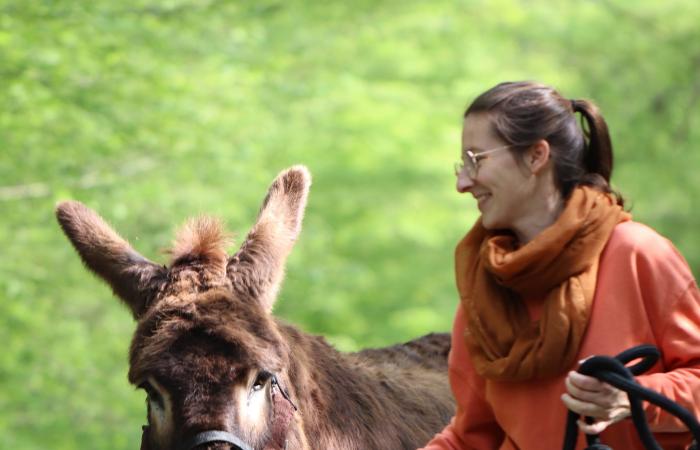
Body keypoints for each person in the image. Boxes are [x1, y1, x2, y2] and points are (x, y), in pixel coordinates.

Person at [420, 81, 700, 450]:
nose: (462, 182)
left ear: (536, 156)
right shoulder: (482, 285)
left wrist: (636, 397)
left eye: (476, 159)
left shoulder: (639, 254)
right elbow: (472, 437)